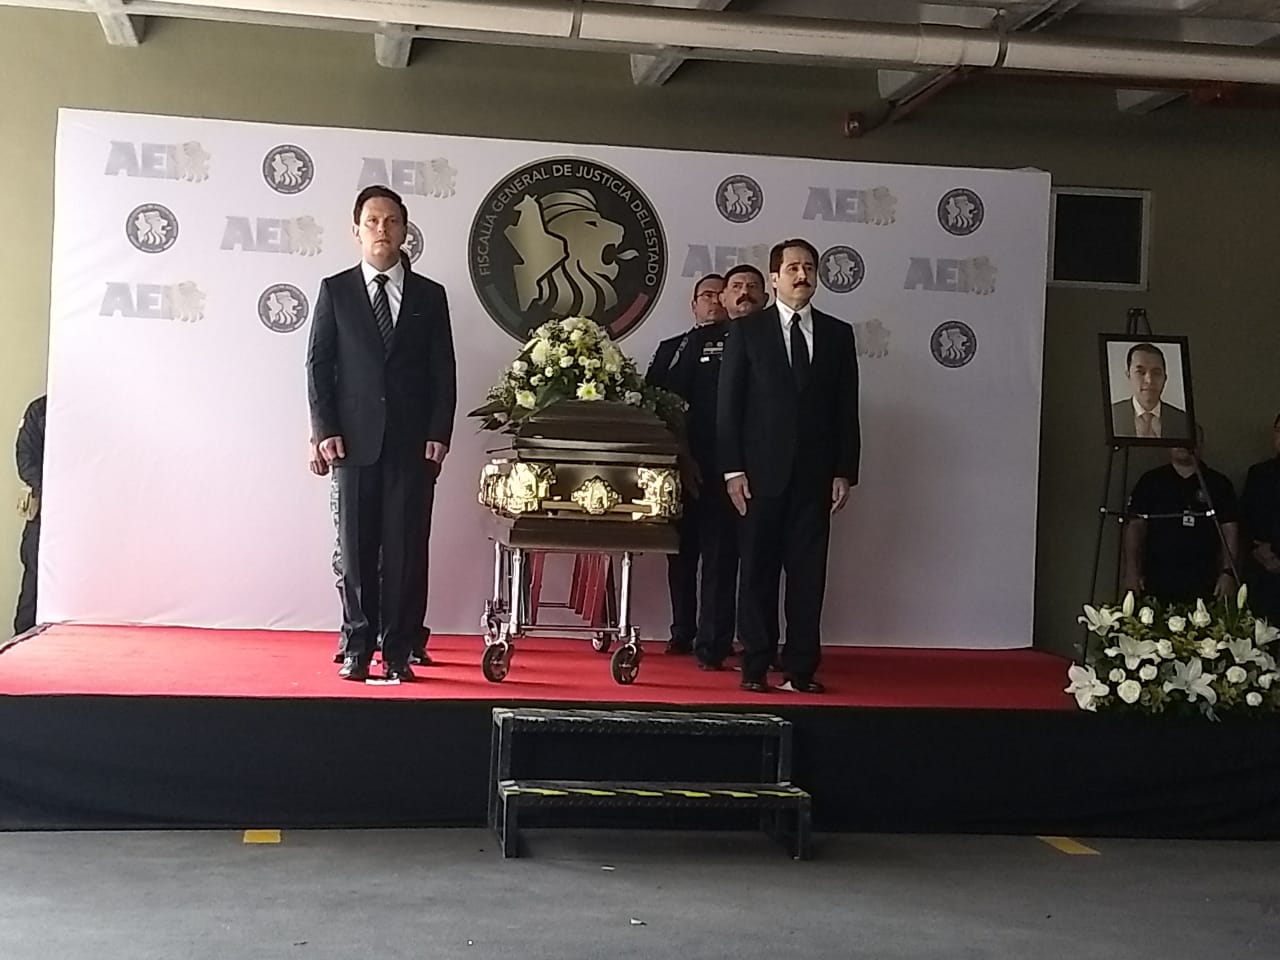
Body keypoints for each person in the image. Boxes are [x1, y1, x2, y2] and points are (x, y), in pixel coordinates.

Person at [306, 185, 456, 682]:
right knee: (356, 551)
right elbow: (318, 365)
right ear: (356, 231)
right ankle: (357, 646)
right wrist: (324, 429)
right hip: (352, 442)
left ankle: (397, 650)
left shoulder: (430, 295)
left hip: (412, 444)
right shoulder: (336, 291)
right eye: (372, 221)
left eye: (391, 221)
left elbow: (443, 370)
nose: (382, 230)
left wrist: (439, 431)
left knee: (406, 549)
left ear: (405, 230)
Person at [717, 240, 860, 694]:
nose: (803, 275)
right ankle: (755, 665)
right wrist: (732, 470)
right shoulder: (748, 330)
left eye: (810, 267)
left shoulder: (838, 334)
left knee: (807, 577)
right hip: (759, 477)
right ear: (774, 278)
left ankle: (801, 669)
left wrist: (844, 470)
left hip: (815, 478)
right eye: (794, 267)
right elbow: (729, 406)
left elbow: (846, 408)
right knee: (757, 572)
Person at [646, 273, 746, 670]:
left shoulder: (741, 343)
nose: (714, 301)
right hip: (678, 464)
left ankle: (714, 639)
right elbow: (653, 403)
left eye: (720, 294)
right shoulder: (672, 348)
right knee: (681, 553)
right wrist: (678, 456)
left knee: (720, 556)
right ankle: (681, 631)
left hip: (725, 467)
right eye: (706, 295)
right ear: (693, 304)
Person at [1123, 425, 1239, 606]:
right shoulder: (1151, 481)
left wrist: (1228, 573)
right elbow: (1135, 527)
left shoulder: (1219, 484)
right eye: (1178, 438)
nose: (1182, 444)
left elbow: (1230, 531)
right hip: (1156, 579)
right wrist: (1131, 570)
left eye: (1189, 438)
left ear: (1200, 444)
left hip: (1205, 581)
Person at [1241, 414, 1280, 620]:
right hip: (1264, 571)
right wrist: (1261, 553)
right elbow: (1246, 519)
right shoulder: (1259, 474)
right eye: (1279, 431)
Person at [13, 394, 46, 636]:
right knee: (33, 581)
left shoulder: (90, 410)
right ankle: (23, 638)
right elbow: (25, 460)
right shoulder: (40, 410)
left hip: (85, 515)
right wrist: (52, 489)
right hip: (44, 513)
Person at [1110, 342, 1190, 441]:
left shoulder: (1185, 422)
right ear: (1128, 376)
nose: (1149, 380)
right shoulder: (1112, 416)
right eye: (1140, 372)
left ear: (1165, 378)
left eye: (1156, 373)